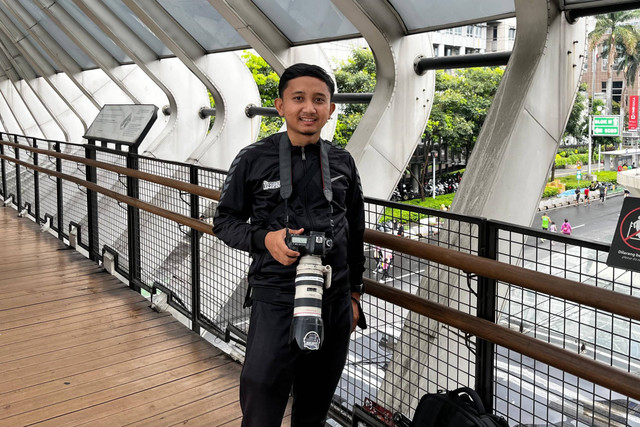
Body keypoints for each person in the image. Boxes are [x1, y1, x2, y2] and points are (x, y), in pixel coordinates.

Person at [212, 63, 366, 427]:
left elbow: (356, 232)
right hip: (275, 296)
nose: (308, 108)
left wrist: (355, 297)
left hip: (333, 298)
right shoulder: (253, 158)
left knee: (315, 404)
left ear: (330, 109)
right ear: (281, 106)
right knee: (261, 396)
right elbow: (224, 221)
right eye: (298, 98)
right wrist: (265, 239)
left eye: (319, 100)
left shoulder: (343, 162)